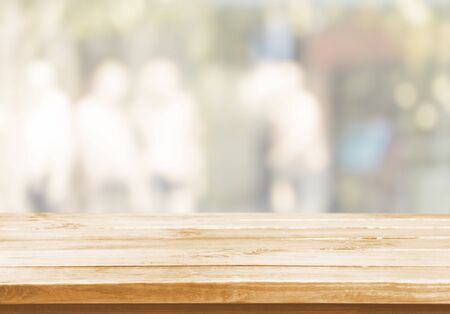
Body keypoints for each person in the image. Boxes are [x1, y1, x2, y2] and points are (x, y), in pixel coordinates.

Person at [132, 59, 204, 212]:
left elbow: (194, 141)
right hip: (151, 179)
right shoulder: (141, 108)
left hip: (180, 177)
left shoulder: (185, 105)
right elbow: (138, 148)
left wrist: (198, 175)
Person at [75, 60, 147, 212]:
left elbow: (129, 154)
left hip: (122, 190)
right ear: (100, 82)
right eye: (118, 82)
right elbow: (87, 152)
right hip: (99, 191)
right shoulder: (86, 110)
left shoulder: (120, 114)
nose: (122, 88)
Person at [22, 60, 73, 212]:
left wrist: (59, 180)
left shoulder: (59, 103)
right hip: (29, 179)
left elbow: (64, 144)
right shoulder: (25, 104)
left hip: (49, 178)